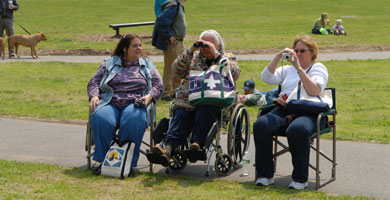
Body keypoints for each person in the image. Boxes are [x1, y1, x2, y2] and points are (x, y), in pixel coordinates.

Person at [150, 30, 240, 165]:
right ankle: (168, 148)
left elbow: (234, 73)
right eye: (203, 44)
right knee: (181, 114)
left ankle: (197, 144)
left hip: (213, 101)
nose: (205, 48)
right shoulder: (193, 56)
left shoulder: (227, 58)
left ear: (219, 45)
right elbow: (176, 71)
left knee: (205, 111)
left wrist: (216, 55)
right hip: (188, 100)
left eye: (209, 44)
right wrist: (191, 49)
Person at [253, 35, 328, 189]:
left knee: (298, 129)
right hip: (285, 109)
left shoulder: (318, 68)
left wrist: (299, 69)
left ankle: (300, 179)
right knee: (261, 124)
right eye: (295, 51)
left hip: (308, 111)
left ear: (312, 53)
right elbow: (266, 78)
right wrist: (278, 56)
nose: (298, 54)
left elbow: (315, 90)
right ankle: (265, 175)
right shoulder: (287, 70)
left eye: (302, 51)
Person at [87, 34, 163, 175]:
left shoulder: (147, 65)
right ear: (124, 49)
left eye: (140, 45)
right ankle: (104, 162)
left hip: (136, 103)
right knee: (101, 118)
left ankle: (127, 163)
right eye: (134, 45)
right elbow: (94, 82)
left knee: (133, 120)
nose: (139, 48)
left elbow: (159, 85)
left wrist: (149, 97)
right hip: (110, 101)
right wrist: (94, 95)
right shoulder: (109, 63)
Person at [152, 0, 186, 101]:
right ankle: (166, 92)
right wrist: (169, 36)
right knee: (171, 67)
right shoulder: (173, 6)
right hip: (173, 43)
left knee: (179, 66)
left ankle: (175, 91)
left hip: (180, 42)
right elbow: (161, 21)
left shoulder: (179, 6)